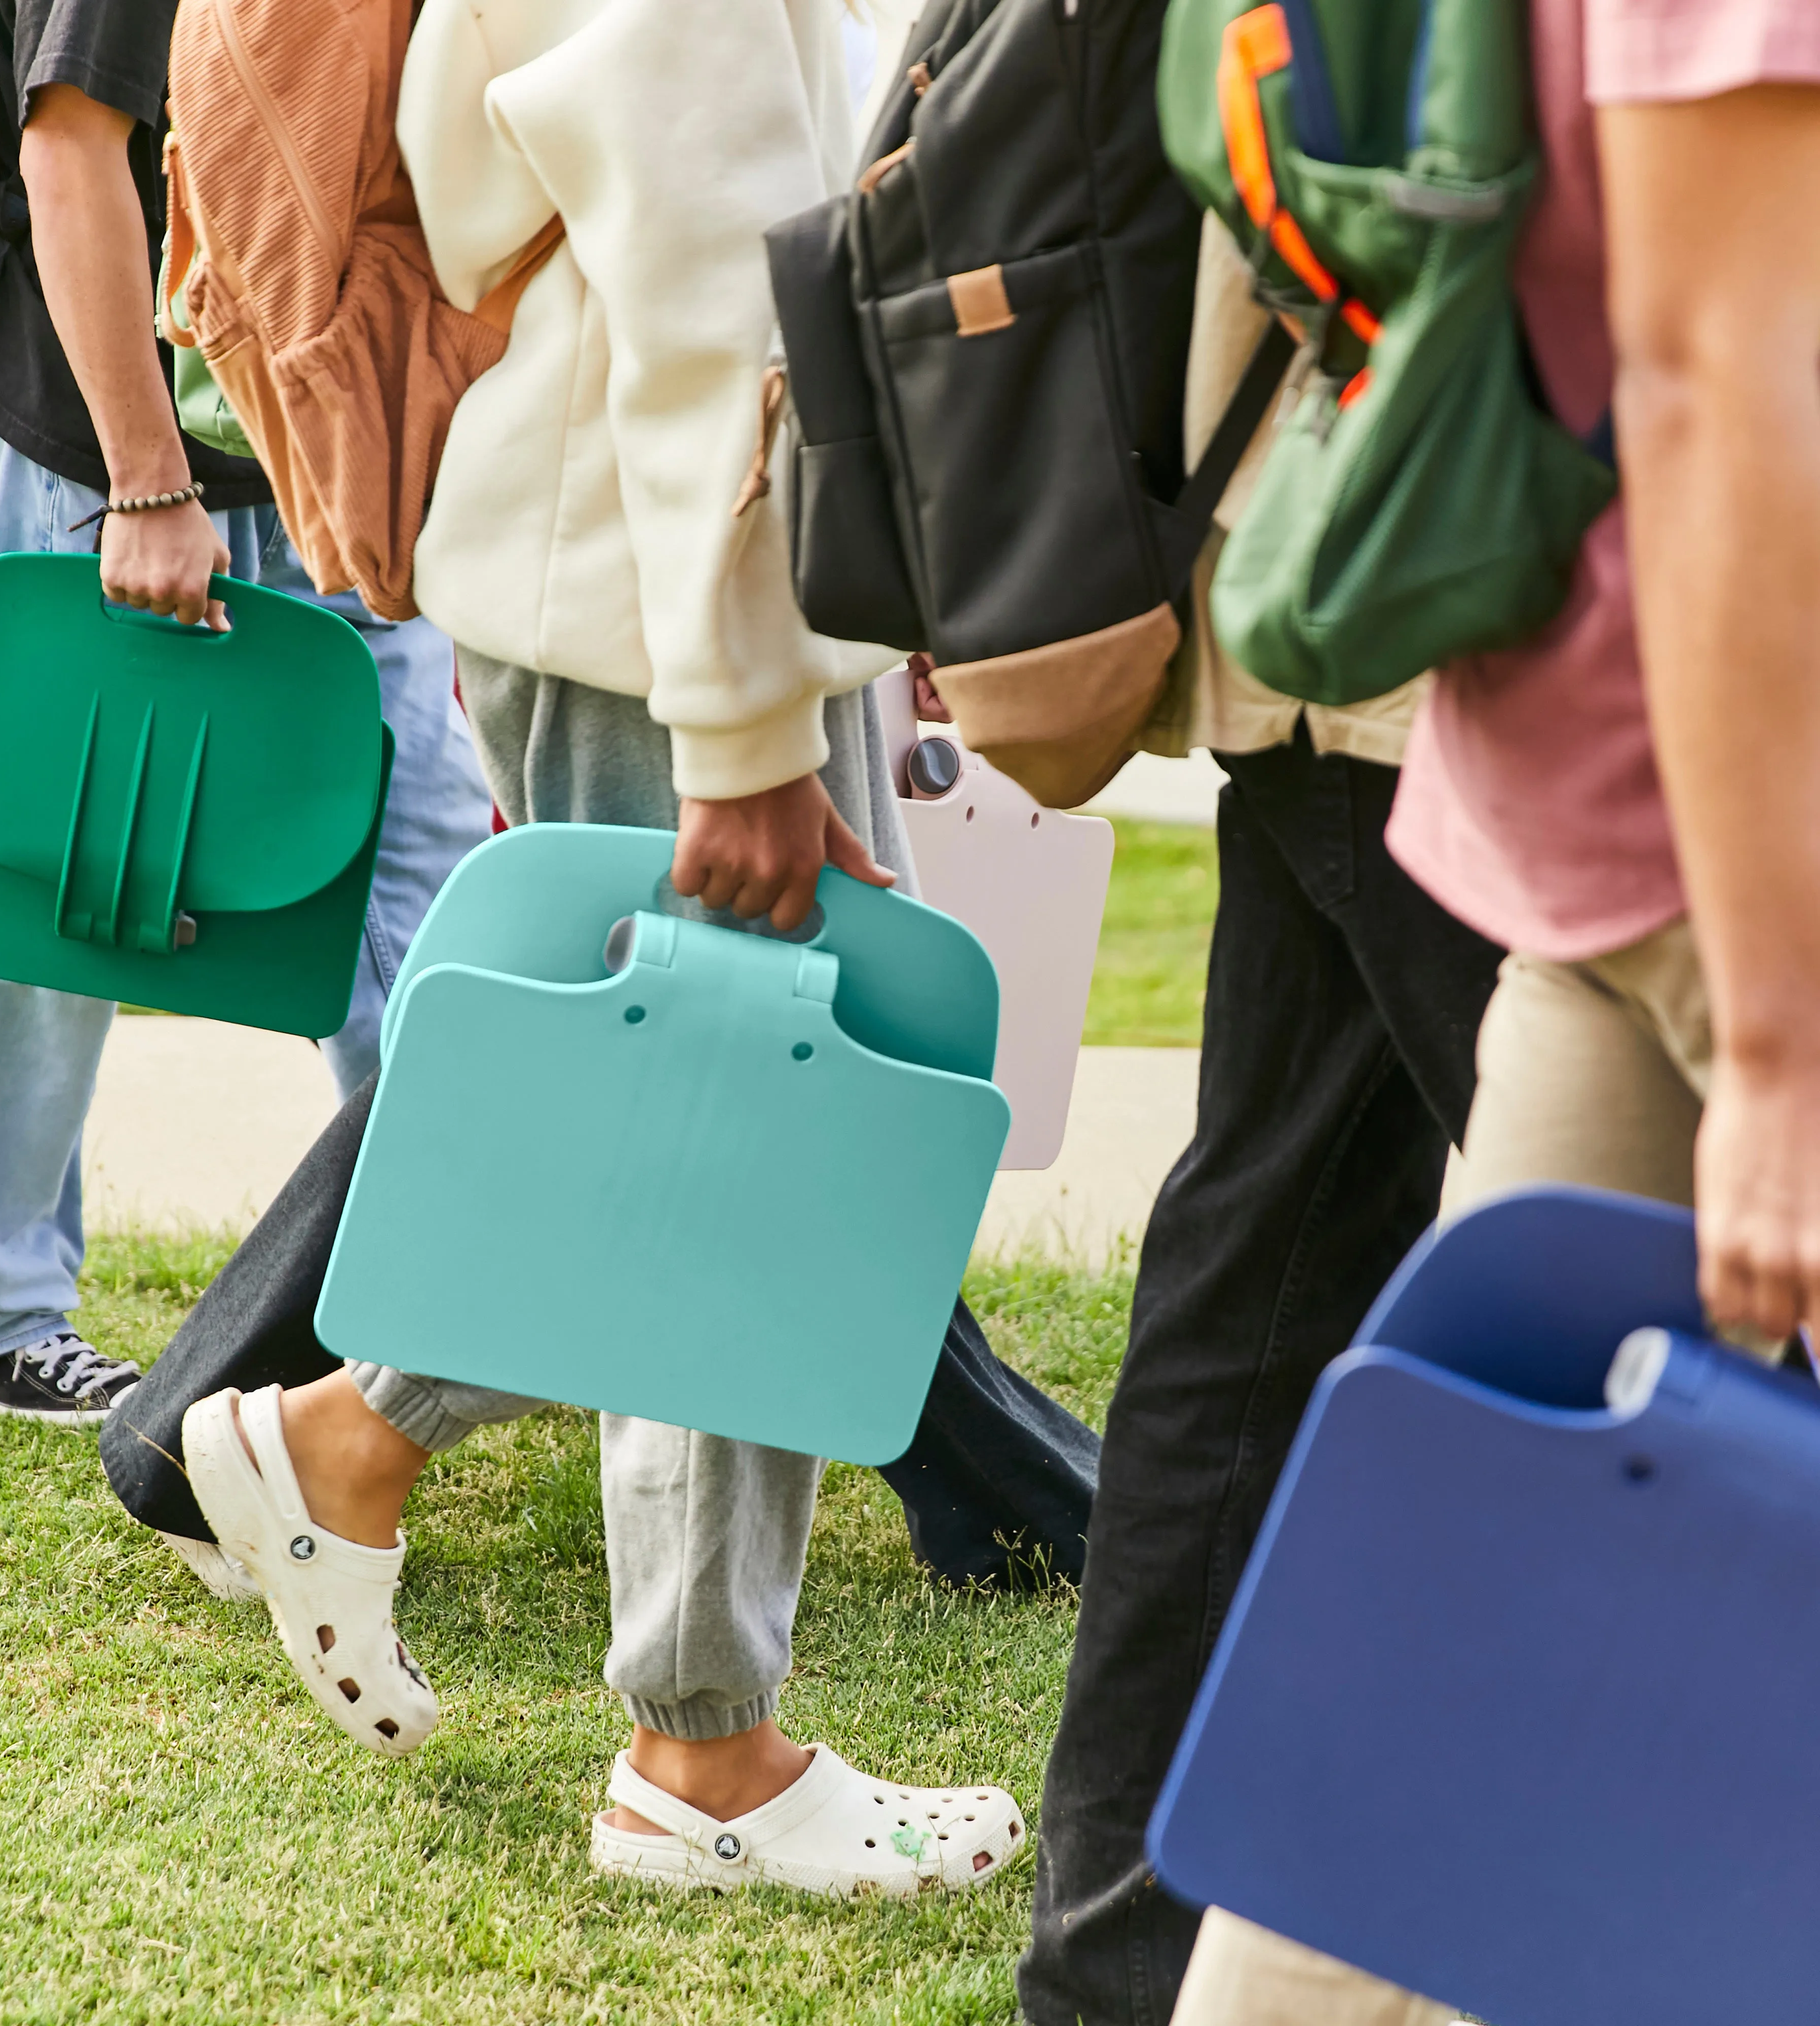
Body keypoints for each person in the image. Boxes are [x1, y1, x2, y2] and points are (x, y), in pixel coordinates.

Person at [150, 0, 1033, 1895]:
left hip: (643, 569)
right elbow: (713, 279)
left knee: (691, 1138)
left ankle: (352, 1442)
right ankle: (704, 1761)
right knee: (756, 1158)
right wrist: (746, 727)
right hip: (671, 593)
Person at [1156, 0, 1820, 2017]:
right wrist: (1785, 1053)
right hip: (1743, 876)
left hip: (1623, 815)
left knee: (1433, 1731)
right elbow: (1718, 376)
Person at [1015, 216, 1506, 2026]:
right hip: (1456, 649)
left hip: (1335, 619)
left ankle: (1123, 1952)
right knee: (1672, 1308)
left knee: (1260, 1273)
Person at [0, 0, 491, 1430]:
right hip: (107, 449)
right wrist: (141, 483)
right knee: (58, 872)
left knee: (419, 866)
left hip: (287, 440)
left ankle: (466, 1284)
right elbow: (72, 147)